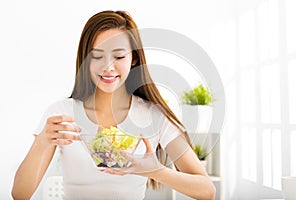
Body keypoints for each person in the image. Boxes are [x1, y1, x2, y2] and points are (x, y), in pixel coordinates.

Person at [11, 10, 216, 200]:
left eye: (118, 56)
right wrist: (41, 143)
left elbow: (207, 191)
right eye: (97, 56)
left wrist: (154, 171)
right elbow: (19, 194)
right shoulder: (62, 113)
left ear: (133, 58)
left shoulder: (154, 116)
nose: (108, 67)